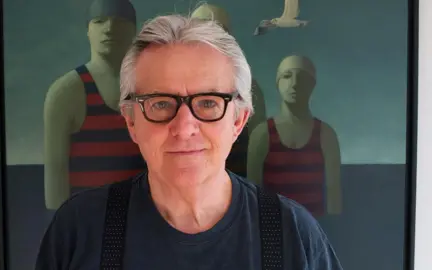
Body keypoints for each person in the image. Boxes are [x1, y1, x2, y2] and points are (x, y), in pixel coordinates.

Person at [35, 14, 343, 270]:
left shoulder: (294, 235)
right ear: (131, 121)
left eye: (208, 103)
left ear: (238, 121)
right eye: (160, 103)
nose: (184, 128)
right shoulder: (79, 231)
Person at [42, 0, 147, 210]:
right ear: (88, 31)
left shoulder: (152, 86)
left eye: (119, 21)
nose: (109, 28)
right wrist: (65, 237)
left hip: (144, 221)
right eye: (100, 21)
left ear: (133, 30)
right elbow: (56, 179)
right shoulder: (66, 93)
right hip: (88, 225)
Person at [247, 55, 342, 217]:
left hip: (313, 231)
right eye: (287, 76)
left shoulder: (325, 135)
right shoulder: (262, 134)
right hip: (274, 229)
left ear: (312, 85)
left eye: (302, 78)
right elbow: (252, 197)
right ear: (278, 83)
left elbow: (334, 199)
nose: (295, 84)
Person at [190, 3, 267, 177]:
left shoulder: (249, 89)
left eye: (216, 30)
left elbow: (258, 156)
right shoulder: (173, 85)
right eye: (200, 29)